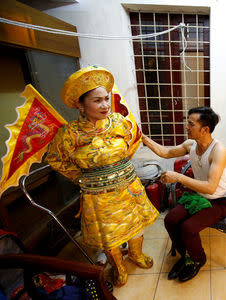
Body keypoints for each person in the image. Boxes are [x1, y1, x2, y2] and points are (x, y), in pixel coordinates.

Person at [45, 66, 160, 286]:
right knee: (110, 236)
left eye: (107, 98)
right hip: (98, 196)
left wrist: (118, 165)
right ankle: (118, 268)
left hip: (128, 187)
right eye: (97, 101)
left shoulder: (118, 122)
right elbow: (55, 159)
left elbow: (132, 141)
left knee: (137, 225)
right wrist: (81, 177)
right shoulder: (70, 134)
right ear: (80, 104)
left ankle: (136, 254)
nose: (106, 105)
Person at [142, 107, 226, 282]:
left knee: (187, 227)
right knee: (170, 220)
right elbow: (165, 152)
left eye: (191, 124)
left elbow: (211, 187)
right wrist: (143, 138)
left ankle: (198, 259)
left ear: (205, 129)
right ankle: (186, 256)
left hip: (218, 201)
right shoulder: (191, 145)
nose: (186, 127)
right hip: (198, 196)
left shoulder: (218, 151)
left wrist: (178, 177)